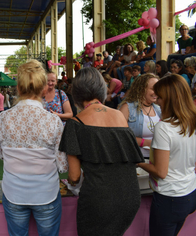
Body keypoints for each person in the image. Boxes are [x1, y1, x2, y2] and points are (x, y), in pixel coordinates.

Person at [58, 67, 144, 236]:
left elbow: (74, 177)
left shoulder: (75, 124)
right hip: (130, 196)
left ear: (76, 93)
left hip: (99, 199)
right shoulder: (119, 115)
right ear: (102, 89)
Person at [0, 59, 68, 236]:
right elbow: (63, 165)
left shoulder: (4, 118)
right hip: (46, 193)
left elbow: (1, 154)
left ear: (18, 88)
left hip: (14, 192)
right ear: (44, 88)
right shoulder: (53, 120)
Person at [137, 74, 196, 236]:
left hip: (170, 198)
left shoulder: (164, 127)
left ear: (170, 99)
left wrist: (138, 162)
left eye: (160, 98)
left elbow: (161, 172)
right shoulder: (194, 120)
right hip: (191, 192)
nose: (157, 101)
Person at [119, 74, 161, 159]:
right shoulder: (127, 108)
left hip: (156, 159)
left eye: (158, 89)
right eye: (153, 89)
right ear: (141, 89)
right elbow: (120, 135)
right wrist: (146, 143)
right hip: (135, 159)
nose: (156, 92)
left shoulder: (159, 109)